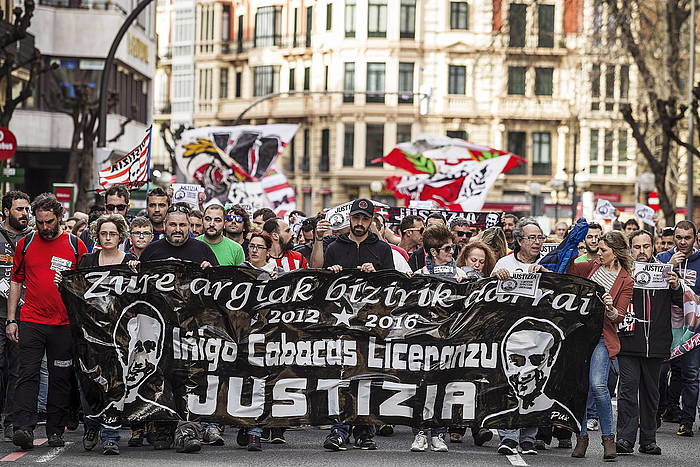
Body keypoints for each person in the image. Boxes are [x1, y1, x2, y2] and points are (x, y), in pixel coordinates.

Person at [7, 193, 88, 450]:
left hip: (64, 324)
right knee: (26, 374)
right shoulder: (26, 243)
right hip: (31, 319)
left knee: (60, 377)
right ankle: (23, 428)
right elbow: (16, 281)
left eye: (49, 222)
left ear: (59, 218)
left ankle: (55, 430)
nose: (44, 227)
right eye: (40, 222)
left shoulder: (76, 245)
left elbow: (86, 286)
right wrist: (12, 319)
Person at [138, 204, 219, 453]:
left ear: (190, 227)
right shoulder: (151, 251)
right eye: (173, 225)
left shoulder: (202, 250)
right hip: (157, 330)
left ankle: (188, 431)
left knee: (189, 381)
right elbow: (138, 289)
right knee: (160, 380)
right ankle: (162, 430)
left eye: (183, 225)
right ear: (165, 226)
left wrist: (210, 272)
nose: (178, 229)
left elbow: (219, 289)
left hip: (191, 330)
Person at [322, 199, 393, 452]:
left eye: (365, 219)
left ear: (371, 221)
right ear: (350, 218)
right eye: (356, 218)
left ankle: (365, 430)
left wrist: (377, 272)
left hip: (371, 322)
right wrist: (332, 272)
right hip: (340, 324)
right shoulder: (335, 246)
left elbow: (393, 287)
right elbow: (321, 286)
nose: (360, 223)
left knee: (367, 377)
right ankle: (339, 428)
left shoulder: (383, 249)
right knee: (340, 375)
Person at [63, 214, 136, 456]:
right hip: (88, 334)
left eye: (112, 234)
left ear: (121, 236)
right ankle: (92, 425)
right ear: (96, 236)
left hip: (119, 336)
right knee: (90, 384)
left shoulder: (130, 261)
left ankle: (111, 437)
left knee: (115, 385)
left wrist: (137, 272)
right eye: (103, 233)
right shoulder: (87, 260)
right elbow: (74, 292)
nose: (107, 238)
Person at [567, 230, 633, 460]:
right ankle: (581, 437)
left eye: (604, 250)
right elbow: (568, 270)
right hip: (580, 337)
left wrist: (610, 307)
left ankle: (608, 439)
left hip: (603, 337)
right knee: (581, 388)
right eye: (599, 249)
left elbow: (619, 316)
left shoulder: (626, 279)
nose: (599, 253)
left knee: (598, 385)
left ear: (615, 253)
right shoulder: (591, 267)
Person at [615, 230, 682, 456]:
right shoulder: (624, 271)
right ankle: (624, 439)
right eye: (636, 247)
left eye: (646, 246)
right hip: (628, 340)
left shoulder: (666, 271)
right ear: (630, 249)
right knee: (628, 389)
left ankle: (648, 440)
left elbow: (681, 302)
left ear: (653, 247)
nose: (641, 251)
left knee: (651, 393)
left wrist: (675, 286)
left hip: (656, 342)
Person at [491, 218, 545, 456]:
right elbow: (488, 297)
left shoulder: (546, 263)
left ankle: (528, 438)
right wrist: (496, 278)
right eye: (532, 238)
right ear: (519, 241)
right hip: (509, 337)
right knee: (509, 386)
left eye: (540, 237)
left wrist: (548, 276)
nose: (537, 242)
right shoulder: (504, 263)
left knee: (534, 386)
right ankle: (508, 436)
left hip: (539, 339)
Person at [656, 220, 700, 437]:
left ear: (695, 238)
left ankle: (687, 421)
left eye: (687, 238)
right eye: (679, 237)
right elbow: (651, 289)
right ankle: (655, 414)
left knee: (690, 374)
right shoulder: (663, 259)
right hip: (666, 328)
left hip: (692, 328)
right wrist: (669, 265)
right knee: (659, 372)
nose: (683, 242)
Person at [0, 191, 31, 440]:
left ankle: (11, 420)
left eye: (26, 209)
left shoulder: (33, 239)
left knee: (17, 370)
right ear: (6, 211)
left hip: (23, 316)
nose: (24, 214)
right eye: (19, 209)